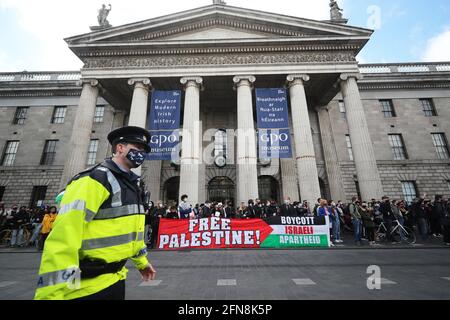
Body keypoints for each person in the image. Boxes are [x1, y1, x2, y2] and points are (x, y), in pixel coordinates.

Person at [34, 126, 156, 300]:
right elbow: (63, 240)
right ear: (120, 147)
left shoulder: (131, 186)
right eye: (138, 148)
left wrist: (142, 263)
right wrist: (51, 296)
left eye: (144, 150)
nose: (141, 154)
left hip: (115, 279)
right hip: (85, 287)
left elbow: (132, 234)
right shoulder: (93, 180)